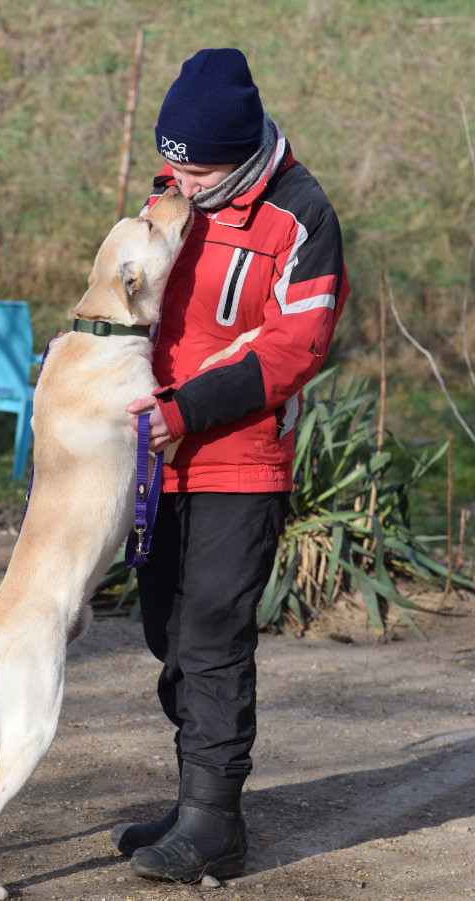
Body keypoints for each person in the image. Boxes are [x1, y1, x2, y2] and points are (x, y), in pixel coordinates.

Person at [111, 48, 350, 882]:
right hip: (159, 456)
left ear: (242, 152)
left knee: (212, 635)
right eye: (170, 164)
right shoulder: (173, 195)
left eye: (196, 170)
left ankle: (215, 823)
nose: (178, 183)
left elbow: (294, 349)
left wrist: (185, 410)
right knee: (167, 631)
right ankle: (191, 801)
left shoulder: (302, 215)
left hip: (239, 461)